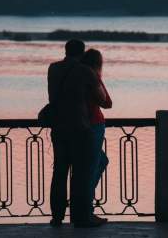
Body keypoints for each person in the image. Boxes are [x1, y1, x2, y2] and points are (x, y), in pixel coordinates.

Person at [47, 39, 107, 228]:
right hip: (80, 129)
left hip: (58, 127)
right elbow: (103, 100)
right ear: (81, 53)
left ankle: (57, 217)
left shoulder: (53, 68)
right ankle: (82, 217)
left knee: (59, 172)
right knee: (81, 174)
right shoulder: (85, 71)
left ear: (66, 51)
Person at [80, 49, 112, 206]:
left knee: (98, 162)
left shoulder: (77, 76)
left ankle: (82, 201)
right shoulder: (93, 77)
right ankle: (86, 206)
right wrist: (99, 79)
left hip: (82, 125)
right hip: (95, 124)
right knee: (92, 167)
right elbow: (108, 102)